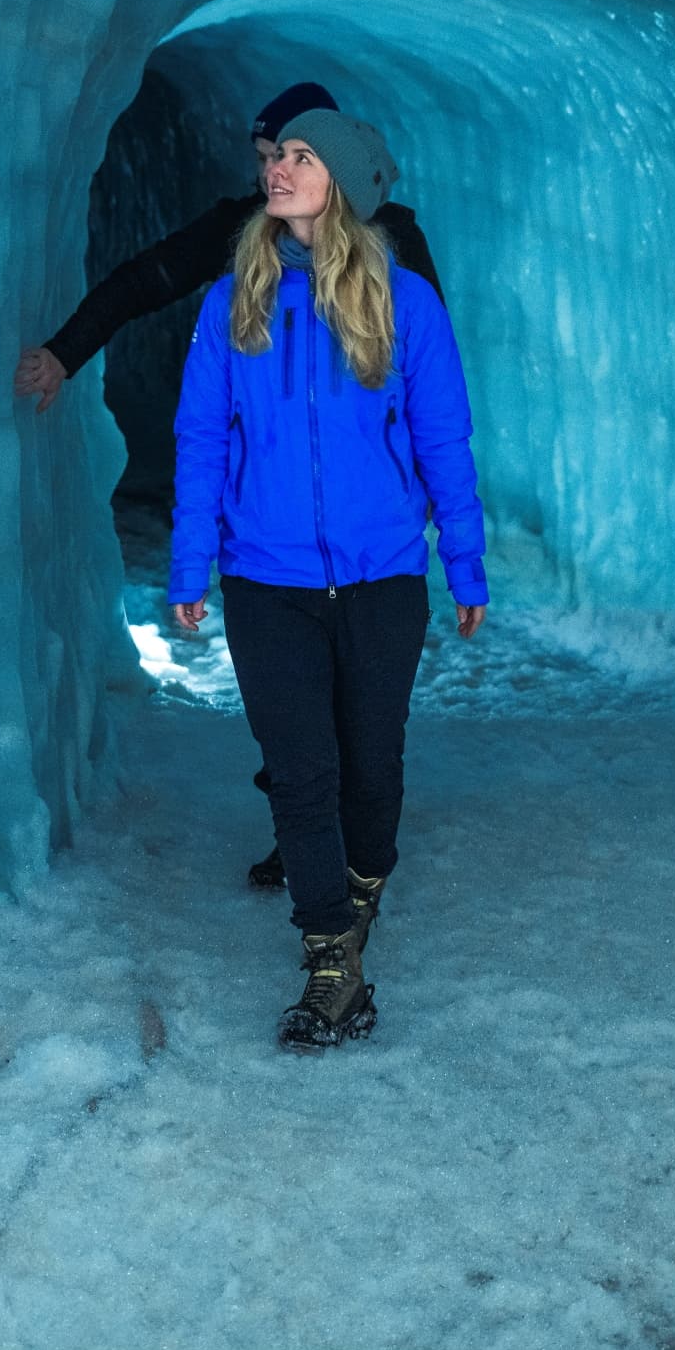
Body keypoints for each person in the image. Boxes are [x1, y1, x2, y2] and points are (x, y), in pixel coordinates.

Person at [15, 80, 447, 891]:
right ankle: (308, 840)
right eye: (261, 160)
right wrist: (67, 352)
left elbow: (427, 375)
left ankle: (348, 862)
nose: (268, 177)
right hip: (272, 542)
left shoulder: (392, 246)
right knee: (295, 719)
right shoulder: (238, 234)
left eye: (284, 157)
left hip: (368, 544)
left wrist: (425, 507)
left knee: (363, 731)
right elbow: (147, 279)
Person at [166, 109, 488, 1051]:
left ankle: (362, 882)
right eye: (279, 157)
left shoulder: (404, 303)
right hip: (266, 579)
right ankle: (331, 963)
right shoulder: (235, 303)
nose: (280, 170)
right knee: (301, 772)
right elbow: (198, 442)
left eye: (303, 159)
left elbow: (443, 441)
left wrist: (462, 561)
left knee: (368, 770)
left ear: (340, 183)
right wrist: (192, 561)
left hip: (383, 574)